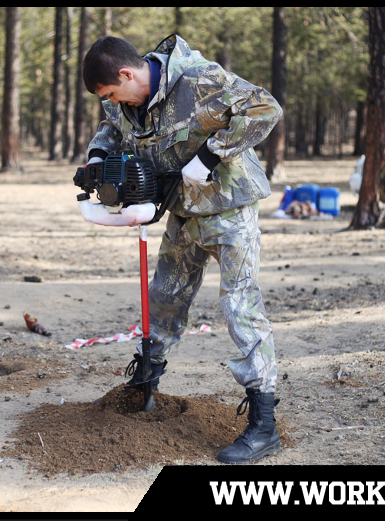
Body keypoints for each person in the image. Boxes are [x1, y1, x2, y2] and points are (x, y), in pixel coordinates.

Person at [82, 34, 283, 464]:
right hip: (181, 212)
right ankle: (145, 385)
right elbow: (109, 130)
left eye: (114, 93)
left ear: (127, 73)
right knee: (165, 298)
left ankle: (264, 424)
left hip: (229, 206)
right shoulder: (122, 104)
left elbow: (266, 108)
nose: (114, 103)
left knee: (239, 305)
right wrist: (98, 158)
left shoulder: (198, 79)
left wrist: (211, 155)